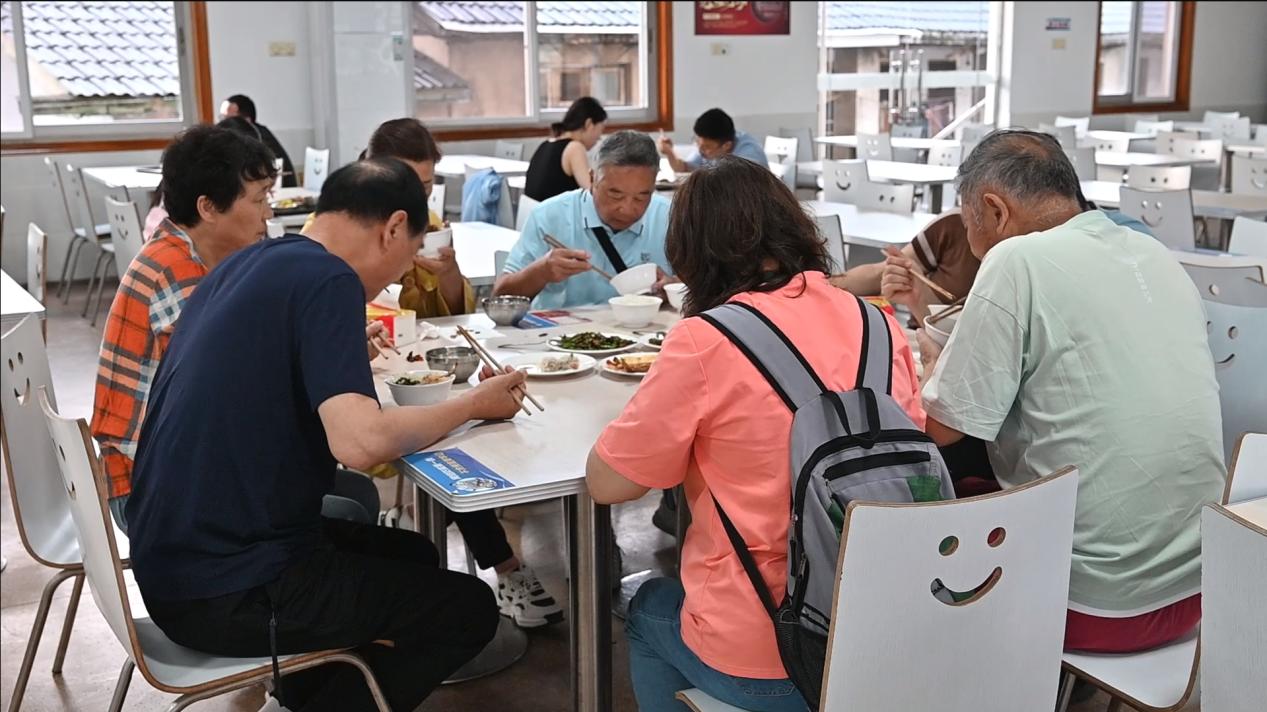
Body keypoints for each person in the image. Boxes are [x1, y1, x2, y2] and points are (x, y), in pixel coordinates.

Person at [126, 158, 528, 711]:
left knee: (414, 556)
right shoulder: (330, 279)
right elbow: (359, 444)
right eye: (409, 256)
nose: (399, 276)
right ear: (391, 228)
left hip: (175, 559)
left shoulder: (251, 262)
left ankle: (308, 688)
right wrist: (472, 404)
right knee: (469, 609)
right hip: (231, 585)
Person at [586, 157, 925, 712]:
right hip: (880, 639)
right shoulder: (878, 323)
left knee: (647, 607)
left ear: (692, 251)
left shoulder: (704, 340)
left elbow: (609, 484)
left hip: (771, 654)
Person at [918, 130, 1225, 654]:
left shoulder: (1016, 260)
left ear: (994, 210)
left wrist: (931, 362)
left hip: (1091, 603)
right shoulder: (1153, 254)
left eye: (969, 221)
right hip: (1204, 588)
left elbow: (943, 426)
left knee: (933, 485)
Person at [300, 118, 563, 627]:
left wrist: (446, 273)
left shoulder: (398, 229)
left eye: (425, 187)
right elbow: (360, 438)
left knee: (455, 431)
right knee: (447, 437)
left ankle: (491, 563)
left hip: (414, 358)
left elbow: (451, 309)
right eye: (410, 186)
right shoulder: (335, 261)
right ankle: (505, 567)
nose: (420, 199)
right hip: (368, 393)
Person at [92, 124, 378, 531]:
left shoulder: (184, 252)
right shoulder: (179, 275)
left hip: (162, 469)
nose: (268, 214)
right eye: (260, 199)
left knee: (356, 492)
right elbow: (234, 400)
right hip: (153, 489)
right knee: (343, 507)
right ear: (208, 207)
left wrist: (321, 352)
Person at [304, 118, 473, 317]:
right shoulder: (331, 229)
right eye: (406, 184)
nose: (415, 198)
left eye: (425, 186)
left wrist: (448, 273)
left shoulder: (431, 225)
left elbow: (457, 318)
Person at [495, 130, 673, 309]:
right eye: (615, 195)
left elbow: (696, 286)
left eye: (641, 197)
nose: (627, 209)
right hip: (560, 334)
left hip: (647, 332)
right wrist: (541, 272)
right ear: (591, 178)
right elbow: (500, 298)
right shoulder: (549, 216)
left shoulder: (669, 217)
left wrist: (673, 286)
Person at [523, 96, 608, 202]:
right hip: (554, 216)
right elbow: (592, 192)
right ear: (589, 124)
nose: (599, 137)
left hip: (533, 214)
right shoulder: (575, 148)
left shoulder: (546, 144)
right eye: (600, 130)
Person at [220, 93, 297, 188]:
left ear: (246, 120)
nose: (222, 123)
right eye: (221, 118)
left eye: (227, 119)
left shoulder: (255, 137)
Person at [658, 108, 769, 173]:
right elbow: (684, 168)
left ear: (726, 145)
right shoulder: (706, 150)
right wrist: (669, 152)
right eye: (698, 143)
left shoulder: (749, 157)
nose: (701, 151)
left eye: (707, 147)